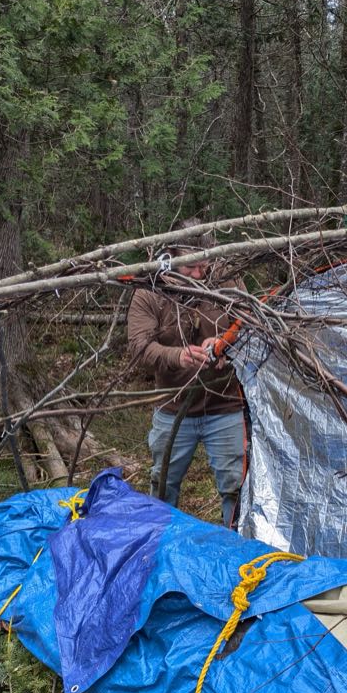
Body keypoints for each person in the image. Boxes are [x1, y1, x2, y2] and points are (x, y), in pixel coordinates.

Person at [127, 219, 245, 526]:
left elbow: (248, 322)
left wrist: (226, 346)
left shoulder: (225, 278)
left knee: (236, 486)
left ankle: (236, 547)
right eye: (190, 267)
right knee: (163, 484)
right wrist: (177, 356)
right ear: (171, 255)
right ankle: (161, 543)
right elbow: (139, 348)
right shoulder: (150, 291)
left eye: (203, 266)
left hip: (225, 405)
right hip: (173, 407)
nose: (198, 274)